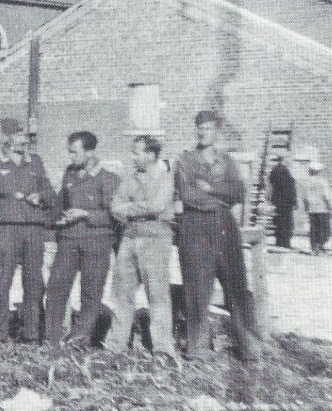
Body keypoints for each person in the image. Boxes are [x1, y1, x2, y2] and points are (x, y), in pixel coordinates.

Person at [175, 110, 259, 361]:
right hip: (195, 227)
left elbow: (239, 192)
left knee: (237, 285)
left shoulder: (228, 162)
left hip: (225, 227)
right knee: (197, 287)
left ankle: (248, 344)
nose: (203, 132)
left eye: (209, 128)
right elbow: (187, 195)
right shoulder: (185, 161)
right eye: (200, 128)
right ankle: (197, 347)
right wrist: (218, 199)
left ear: (217, 132)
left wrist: (211, 188)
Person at [0, 117, 55, 343]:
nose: (24, 141)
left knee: (34, 283)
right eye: (19, 136)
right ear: (6, 137)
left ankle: (31, 334)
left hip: (33, 228)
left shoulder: (35, 162)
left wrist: (42, 196)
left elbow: (49, 191)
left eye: (26, 137)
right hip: (5, 228)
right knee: (1, 282)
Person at [45, 131, 120, 348]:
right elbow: (60, 204)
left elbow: (114, 216)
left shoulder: (109, 179)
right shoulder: (70, 174)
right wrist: (56, 220)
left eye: (75, 153)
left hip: (96, 241)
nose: (71, 157)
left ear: (90, 152)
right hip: (68, 239)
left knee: (90, 292)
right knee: (56, 286)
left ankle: (80, 338)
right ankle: (51, 338)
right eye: (69, 152)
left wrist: (86, 214)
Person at [106, 136, 177, 358]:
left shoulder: (166, 177)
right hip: (128, 239)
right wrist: (135, 209)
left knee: (157, 294)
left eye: (136, 152)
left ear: (151, 155)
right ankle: (116, 344)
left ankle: (163, 347)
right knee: (121, 293)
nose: (132, 157)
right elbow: (115, 207)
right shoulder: (131, 178)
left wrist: (130, 208)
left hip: (155, 239)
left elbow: (157, 206)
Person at [301, 160, 332, 255]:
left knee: (313, 228)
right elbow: (326, 196)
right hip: (322, 208)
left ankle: (314, 247)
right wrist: (330, 207)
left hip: (312, 208)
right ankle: (321, 245)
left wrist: (306, 207)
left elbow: (305, 197)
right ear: (318, 172)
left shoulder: (306, 182)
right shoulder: (322, 182)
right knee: (324, 228)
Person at [268, 149, 298, 249]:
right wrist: (294, 201)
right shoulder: (284, 171)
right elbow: (289, 188)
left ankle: (279, 241)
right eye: (288, 158)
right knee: (286, 223)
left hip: (277, 201)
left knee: (278, 222)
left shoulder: (274, 170)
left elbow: (271, 185)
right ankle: (285, 243)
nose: (290, 161)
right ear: (284, 159)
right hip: (286, 202)